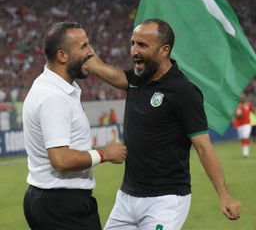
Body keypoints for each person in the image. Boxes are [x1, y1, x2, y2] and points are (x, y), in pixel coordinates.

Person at [86, 19, 241, 230]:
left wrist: (224, 195)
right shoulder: (137, 80)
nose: (134, 50)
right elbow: (108, 72)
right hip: (127, 197)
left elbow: (203, 147)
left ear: (164, 50)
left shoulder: (183, 91)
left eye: (142, 45)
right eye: (133, 43)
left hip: (165, 200)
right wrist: (83, 47)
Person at [22, 22, 127, 230]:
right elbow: (60, 159)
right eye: (84, 46)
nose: (91, 53)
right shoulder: (54, 97)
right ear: (62, 56)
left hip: (49, 200)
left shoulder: (50, 85)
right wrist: (105, 154)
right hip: (62, 205)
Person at [233, 93, 255, 157]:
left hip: (247, 124)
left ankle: (245, 152)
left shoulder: (248, 104)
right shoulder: (238, 106)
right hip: (239, 125)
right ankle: (245, 148)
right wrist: (238, 114)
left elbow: (253, 111)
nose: (242, 98)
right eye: (241, 97)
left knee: (245, 137)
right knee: (242, 138)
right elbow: (237, 116)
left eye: (243, 97)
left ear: (245, 98)